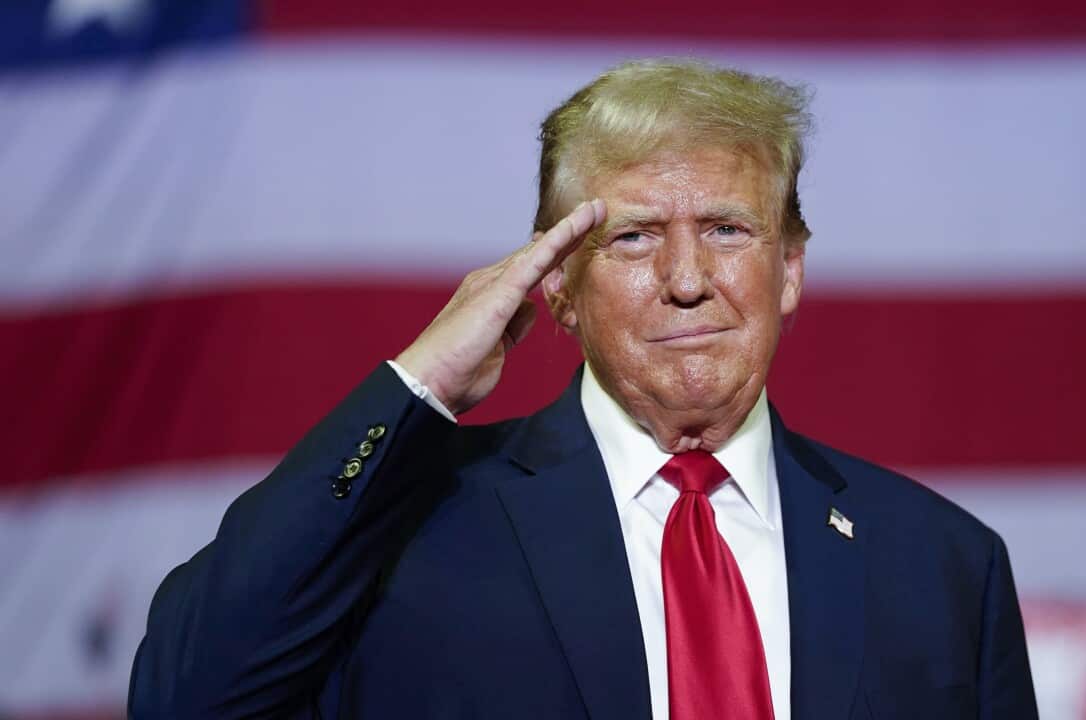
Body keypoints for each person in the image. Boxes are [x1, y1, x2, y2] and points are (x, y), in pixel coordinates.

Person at [129, 59, 1038, 719]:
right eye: (634, 237)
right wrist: (416, 388)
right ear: (556, 283)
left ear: (790, 270)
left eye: (727, 229)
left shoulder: (944, 564)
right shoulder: (406, 526)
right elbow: (183, 698)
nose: (688, 278)